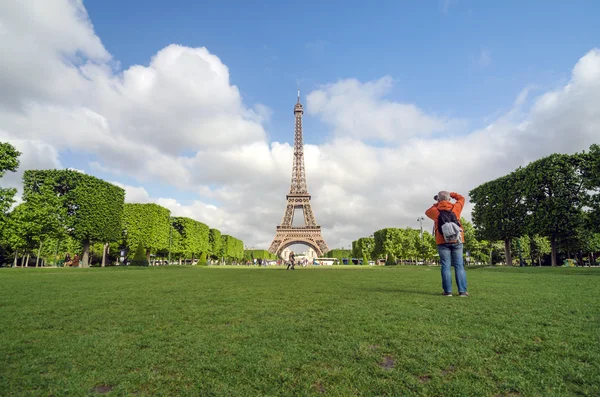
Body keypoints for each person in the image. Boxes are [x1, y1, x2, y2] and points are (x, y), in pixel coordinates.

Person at [425, 191, 469, 297]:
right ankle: (462, 291)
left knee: (446, 266)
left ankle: (447, 291)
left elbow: (427, 212)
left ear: (438, 199)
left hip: (442, 240)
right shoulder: (456, 208)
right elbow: (461, 198)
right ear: (449, 199)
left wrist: (438, 202)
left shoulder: (435, 210)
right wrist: (452, 194)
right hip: (457, 240)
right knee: (459, 266)